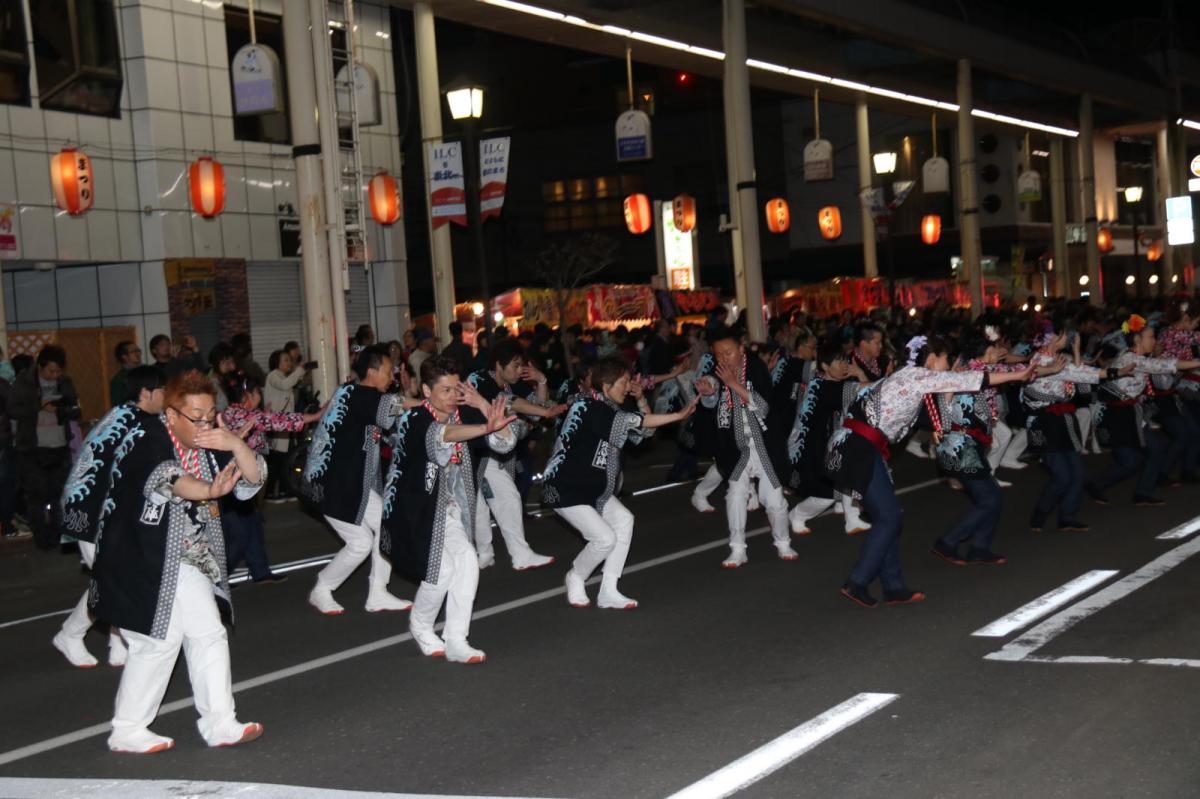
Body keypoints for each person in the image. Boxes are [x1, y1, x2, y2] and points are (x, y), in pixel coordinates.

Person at [90, 370, 265, 753]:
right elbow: (168, 480)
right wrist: (209, 489)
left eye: (210, 414)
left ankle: (220, 723)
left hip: (187, 561)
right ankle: (127, 728)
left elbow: (252, 480)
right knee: (157, 642)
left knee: (208, 633)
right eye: (196, 416)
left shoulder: (208, 439)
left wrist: (236, 443)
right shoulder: (146, 439)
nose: (205, 423)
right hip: (138, 556)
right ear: (171, 414)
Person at [827, 335, 1034, 608]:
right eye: (946, 358)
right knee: (889, 517)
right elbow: (973, 380)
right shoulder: (916, 376)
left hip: (853, 448)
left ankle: (893, 586)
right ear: (933, 357)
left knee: (887, 517)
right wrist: (1020, 374)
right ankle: (858, 581)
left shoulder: (910, 382)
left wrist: (947, 390)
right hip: (857, 448)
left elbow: (940, 419)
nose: (948, 365)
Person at [380, 356, 517, 663]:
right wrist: (483, 426)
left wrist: (482, 405)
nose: (453, 396)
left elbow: (505, 443)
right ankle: (421, 624)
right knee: (441, 572)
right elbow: (442, 436)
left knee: (467, 561)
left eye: (457, 389)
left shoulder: (463, 411)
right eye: (445, 391)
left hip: (447, 510)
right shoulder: (414, 420)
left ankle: (456, 639)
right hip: (412, 511)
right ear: (426, 392)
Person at [542, 356, 696, 609]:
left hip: (593, 489)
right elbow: (638, 422)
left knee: (624, 520)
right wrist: (677, 415)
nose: (628, 386)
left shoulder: (611, 409)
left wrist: (641, 398)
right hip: (565, 488)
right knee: (604, 539)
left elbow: (644, 431)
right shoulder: (589, 406)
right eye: (624, 382)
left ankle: (608, 590)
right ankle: (576, 576)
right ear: (606, 386)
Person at [54, 366, 166, 669]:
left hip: (97, 510)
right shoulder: (139, 423)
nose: (166, 397)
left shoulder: (122, 414)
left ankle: (116, 642)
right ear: (146, 393)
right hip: (91, 511)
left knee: (113, 577)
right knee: (115, 580)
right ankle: (71, 633)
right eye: (162, 390)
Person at [301, 345, 414, 615]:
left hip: (352, 485)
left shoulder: (355, 394)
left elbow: (394, 423)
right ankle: (322, 589)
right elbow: (397, 407)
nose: (392, 376)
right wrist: (427, 400)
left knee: (390, 525)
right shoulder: (357, 393)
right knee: (361, 542)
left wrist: (409, 398)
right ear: (372, 372)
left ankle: (377, 592)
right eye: (388, 371)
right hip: (332, 485)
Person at [694, 326, 796, 568]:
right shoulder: (717, 371)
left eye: (728, 353)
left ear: (741, 349)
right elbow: (711, 398)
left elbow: (763, 406)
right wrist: (708, 391)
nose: (723, 358)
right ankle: (737, 548)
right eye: (718, 354)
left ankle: (783, 542)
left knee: (774, 501)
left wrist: (733, 384)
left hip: (764, 447)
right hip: (736, 447)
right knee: (735, 495)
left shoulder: (757, 368)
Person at [930, 330, 1034, 566]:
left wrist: (1023, 371)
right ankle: (948, 542)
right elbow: (986, 379)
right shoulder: (966, 374)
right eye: (994, 348)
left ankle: (980, 547)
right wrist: (1020, 373)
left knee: (992, 498)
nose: (1000, 352)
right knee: (989, 499)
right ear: (984, 352)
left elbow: (996, 375)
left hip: (969, 445)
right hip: (960, 446)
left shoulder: (975, 371)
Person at [462, 338, 565, 570]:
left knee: (507, 498)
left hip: (489, 454)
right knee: (477, 506)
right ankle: (484, 553)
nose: (520, 371)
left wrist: (542, 380)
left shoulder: (510, 385)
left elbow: (535, 409)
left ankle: (516, 554)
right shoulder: (479, 379)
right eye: (516, 365)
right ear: (499, 364)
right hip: (467, 452)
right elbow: (514, 404)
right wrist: (545, 411)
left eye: (521, 366)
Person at [1088, 315, 1200, 506]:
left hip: (1130, 411)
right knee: (1130, 462)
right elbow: (1165, 365)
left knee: (1155, 450)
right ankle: (1094, 485)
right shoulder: (1132, 359)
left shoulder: (1135, 356)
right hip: (1113, 414)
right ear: (1138, 340)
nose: (1155, 341)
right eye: (1151, 337)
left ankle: (1142, 493)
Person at [221, 375, 323, 583]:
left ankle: (260, 571)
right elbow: (277, 421)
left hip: (246, 481)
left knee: (253, 525)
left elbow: (268, 421)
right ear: (247, 395)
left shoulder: (237, 413)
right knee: (239, 535)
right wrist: (314, 417)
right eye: (257, 392)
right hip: (233, 482)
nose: (260, 395)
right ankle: (217, 581)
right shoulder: (242, 415)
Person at [1023, 327, 1115, 532]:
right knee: (1062, 476)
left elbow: (1080, 380)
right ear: (1052, 338)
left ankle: (1067, 516)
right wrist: (1110, 372)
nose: (1069, 337)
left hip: (1065, 420)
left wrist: (1076, 352)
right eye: (1065, 334)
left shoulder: (1059, 358)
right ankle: (1039, 515)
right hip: (1045, 421)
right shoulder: (1040, 359)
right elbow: (1076, 375)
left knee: (1077, 473)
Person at [784, 340, 870, 536]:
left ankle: (852, 518)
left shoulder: (832, 384)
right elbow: (867, 389)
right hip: (811, 450)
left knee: (849, 477)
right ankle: (797, 515)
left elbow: (861, 394)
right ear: (824, 366)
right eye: (839, 362)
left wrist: (859, 375)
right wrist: (861, 375)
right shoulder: (824, 387)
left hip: (831, 445)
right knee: (825, 496)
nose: (844, 366)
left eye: (845, 361)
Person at [9, 346, 81, 549]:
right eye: (51, 371)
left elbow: (75, 410)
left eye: (58, 371)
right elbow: (12, 409)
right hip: (33, 449)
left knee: (62, 495)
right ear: (40, 367)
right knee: (36, 497)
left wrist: (61, 410)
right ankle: (43, 539)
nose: (54, 375)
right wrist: (38, 405)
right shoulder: (24, 383)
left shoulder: (64, 382)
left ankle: (63, 536)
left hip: (59, 446)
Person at [263, 348, 312, 501]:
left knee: (285, 458)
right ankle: (271, 492)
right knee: (278, 459)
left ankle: (284, 490)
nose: (289, 362)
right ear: (276, 362)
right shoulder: (273, 376)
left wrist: (300, 373)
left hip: (284, 423)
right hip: (278, 423)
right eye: (285, 360)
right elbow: (284, 385)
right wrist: (299, 371)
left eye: (289, 360)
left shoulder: (283, 376)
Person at [108, 340, 142, 407]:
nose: (137, 354)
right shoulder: (119, 379)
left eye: (138, 351)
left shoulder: (145, 372)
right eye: (133, 352)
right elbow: (117, 404)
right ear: (124, 356)